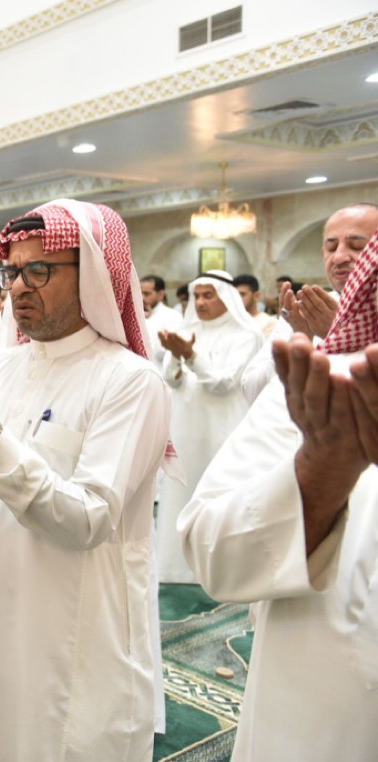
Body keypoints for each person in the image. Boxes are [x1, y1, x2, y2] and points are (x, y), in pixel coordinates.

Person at [0, 200, 170, 761]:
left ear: (92, 276)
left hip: (71, 623)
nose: (19, 286)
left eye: (39, 270)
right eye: (12, 271)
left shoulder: (129, 380)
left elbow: (89, 519)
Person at [178, 228, 378, 761]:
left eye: (356, 245)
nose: (341, 255)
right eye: (331, 243)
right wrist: (325, 467)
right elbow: (213, 548)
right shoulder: (326, 375)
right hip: (319, 704)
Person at [156, 271, 262, 583]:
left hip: (222, 430)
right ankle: (177, 568)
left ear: (226, 297)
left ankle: (222, 570)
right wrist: (177, 357)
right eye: (197, 296)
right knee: (182, 492)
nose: (200, 303)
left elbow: (223, 383)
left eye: (208, 295)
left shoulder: (247, 334)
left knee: (219, 496)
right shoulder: (187, 330)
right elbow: (172, 380)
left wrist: (189, 355)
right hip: (185, 427)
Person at [243, 202, 378, 401]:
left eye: (357, 246)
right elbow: (252, 391)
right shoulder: (307, 308)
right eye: (331, 248)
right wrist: (300, 340)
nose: (339, 257)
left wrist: (340, 339)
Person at [141, 274, 183, 366]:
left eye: (147, 294)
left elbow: (164, 352)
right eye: (140, 293)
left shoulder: (173, 317)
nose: (142, 298)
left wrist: (148, 322)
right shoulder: (136, 315)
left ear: (160, 295)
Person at [233, 274, 277, 340]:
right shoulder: (231, 321)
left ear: (256, 296)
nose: (237, 299)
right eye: (234, 295)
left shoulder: (269, 323)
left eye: (242, 294)